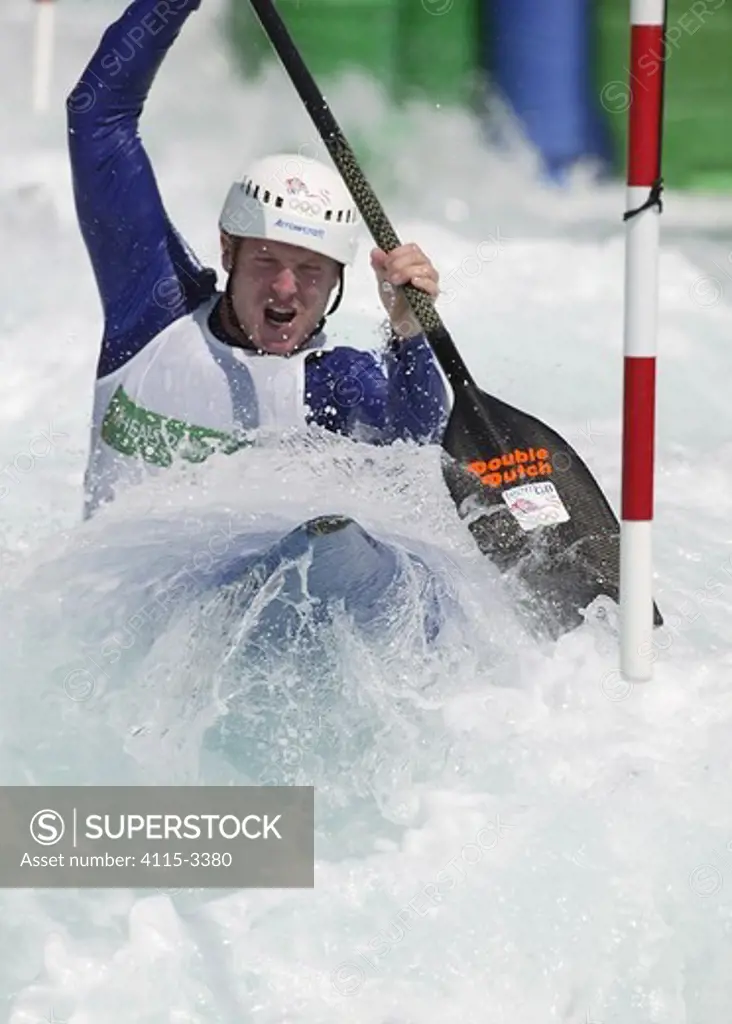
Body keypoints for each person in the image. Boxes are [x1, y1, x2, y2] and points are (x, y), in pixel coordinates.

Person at [67, 0, 451, 520]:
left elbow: (419, 458)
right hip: (107, 597)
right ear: (228, 249)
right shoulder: (149, 313)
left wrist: (410, 335)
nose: (287, 289)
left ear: (340, 277)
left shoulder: (333, 387)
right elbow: (95, 115)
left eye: (312, 270)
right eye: (267, 262)